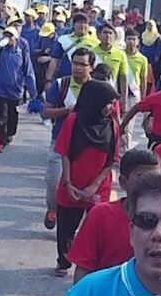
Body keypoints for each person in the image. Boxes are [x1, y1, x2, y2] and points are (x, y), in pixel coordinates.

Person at [51, 78, 121, 278]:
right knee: (66, 228)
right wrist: (68, 183)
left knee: (97, 229)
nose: (110, 107)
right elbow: (64, 152)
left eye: (112, 103)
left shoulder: (112, 126)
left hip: (98, 186)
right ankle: (63, 260)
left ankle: (90, 267)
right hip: (71, 183)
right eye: (107, 103)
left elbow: (111, 159)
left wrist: (94, 186)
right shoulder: (74, 120)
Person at [68, 148, 161, 281]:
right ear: (123, 182)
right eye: (141, 178)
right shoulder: (100, 215)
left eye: (156, 179)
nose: (149, 185)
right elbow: (84, 267)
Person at [41, 47, 96, 228]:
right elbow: (45, 113)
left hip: (87, 146)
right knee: (52, 182)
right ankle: (53, 208)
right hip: (60, 143)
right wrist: (67, 110)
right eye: (75, 63)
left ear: (92, 67)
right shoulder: (60, 85)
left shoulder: (98, 88)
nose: (78, 68)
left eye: (83, 64)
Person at [0, 22, 34, 155]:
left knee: (13, 116)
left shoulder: (20, 52)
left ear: (16, 38)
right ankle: (1, 140)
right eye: (6, 35)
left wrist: (32, 91)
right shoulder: (0, 50)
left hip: (16, 91)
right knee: (0, 116)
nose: (8, 38)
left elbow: (28, 71)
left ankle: (10, 134)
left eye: (11, 36)